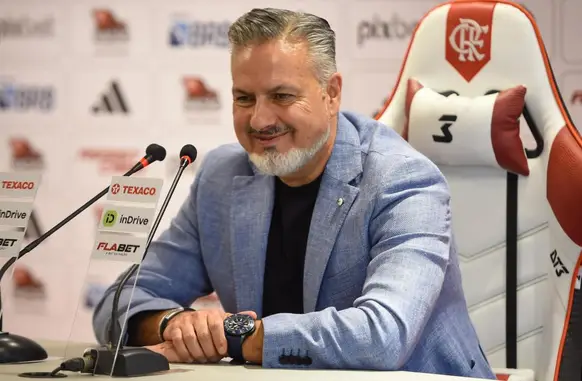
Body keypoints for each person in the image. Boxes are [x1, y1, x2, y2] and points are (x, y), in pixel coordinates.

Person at [92, 8, 495, 379]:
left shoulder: (403, 179)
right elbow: (118, 302)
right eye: (244, 98)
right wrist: (172, 324)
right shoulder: (219, 176)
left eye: (282, 96)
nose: (260, 119)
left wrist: (235, 335)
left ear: (331, 93)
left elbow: (383, 335)